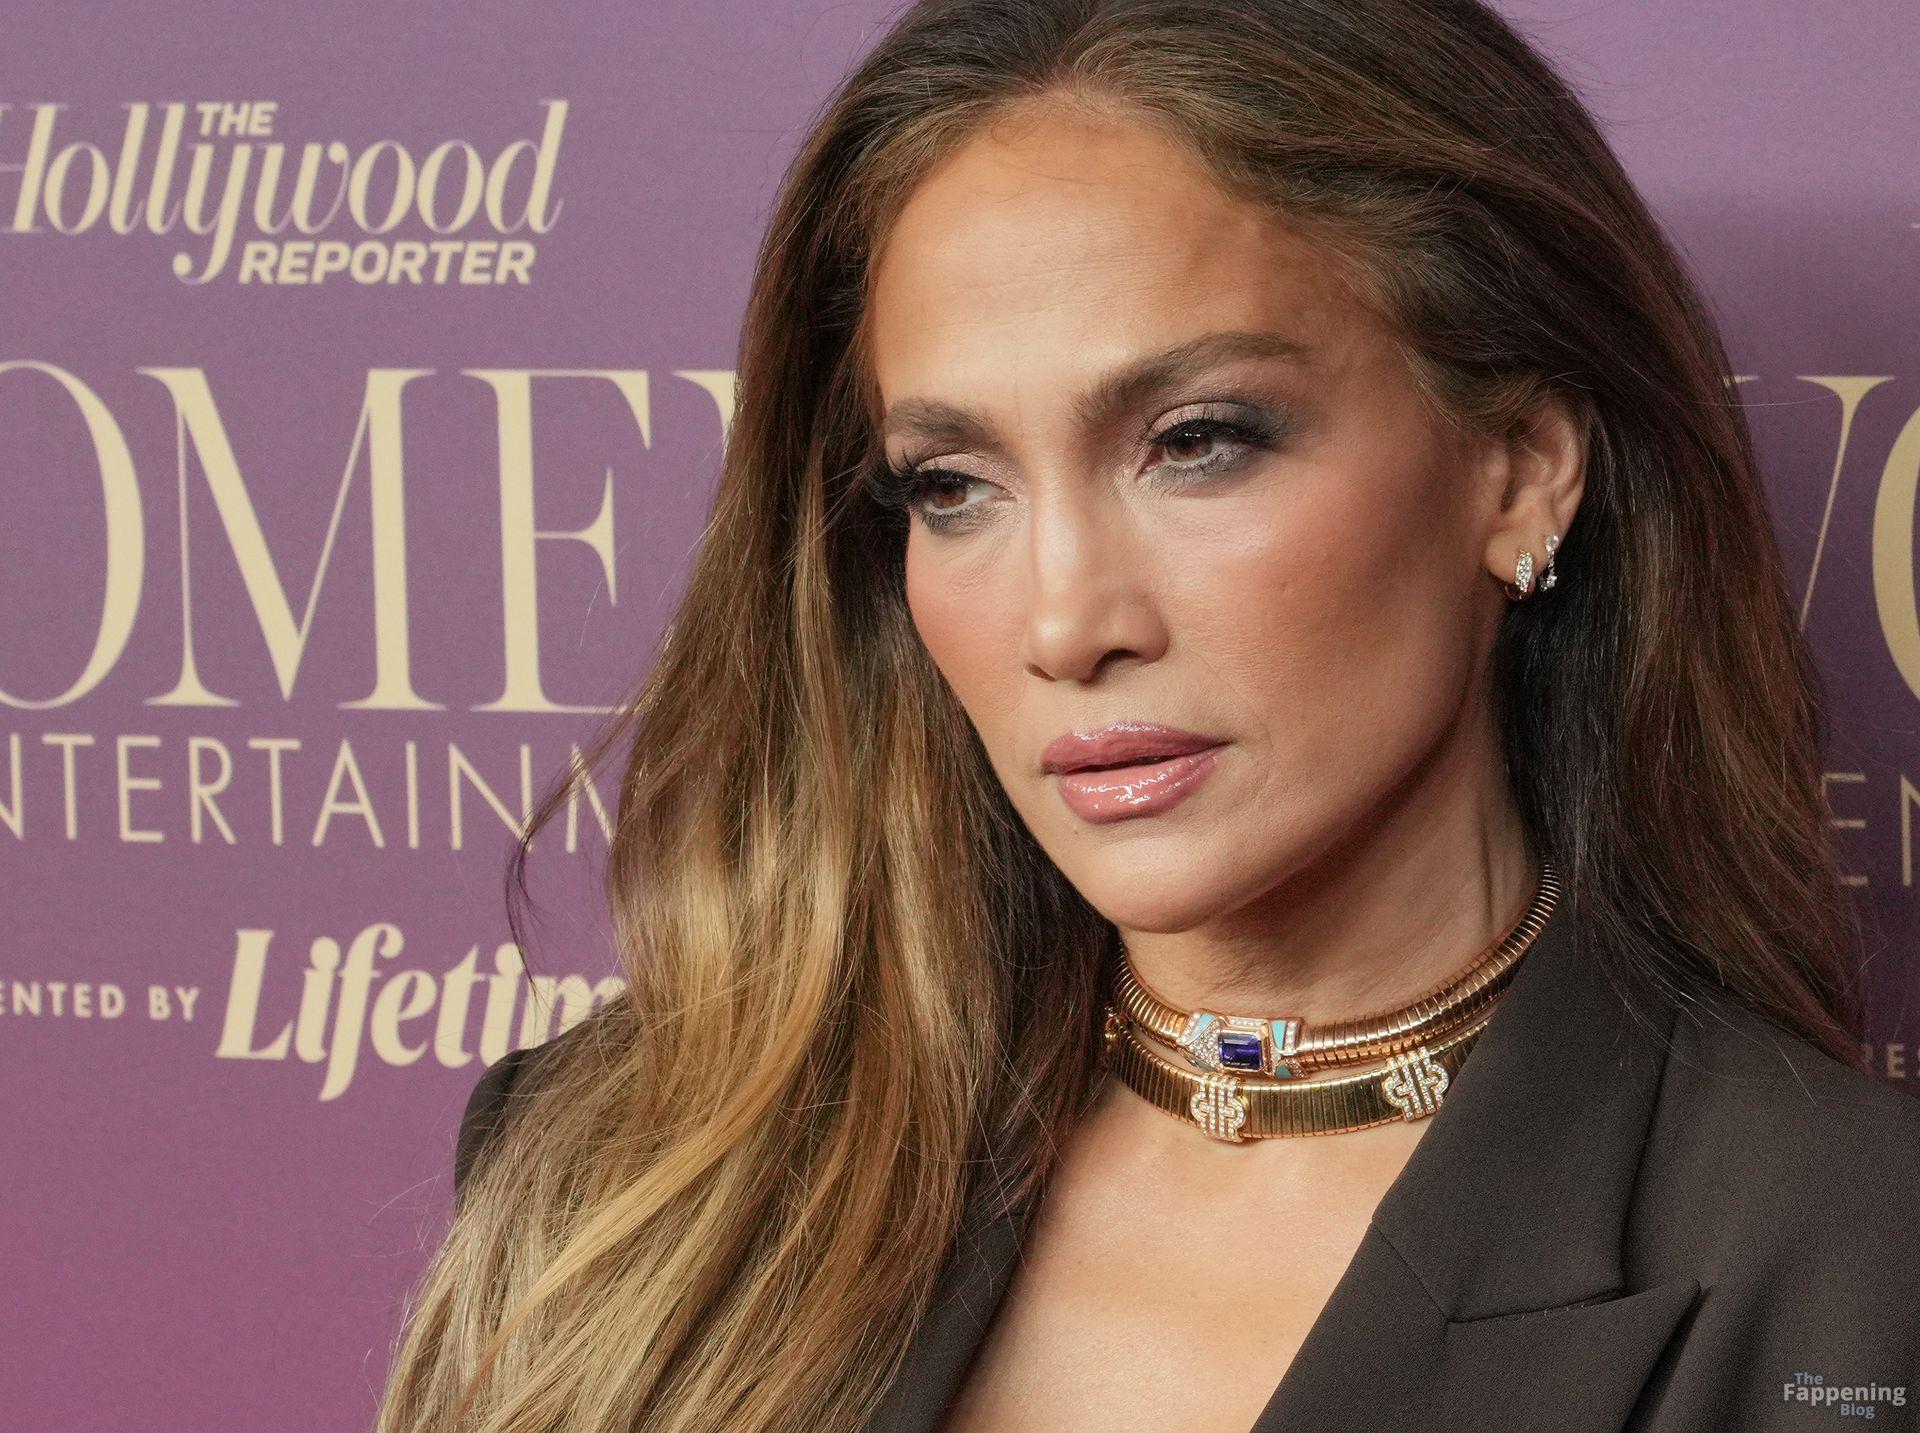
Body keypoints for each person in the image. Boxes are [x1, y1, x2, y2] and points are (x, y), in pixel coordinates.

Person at [377, 1, 1920, 1429]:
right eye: (951, 484)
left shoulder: (1843, 1260)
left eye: (1197, 441)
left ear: (1518, 467)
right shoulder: (615, 1175)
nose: (1064, 624)